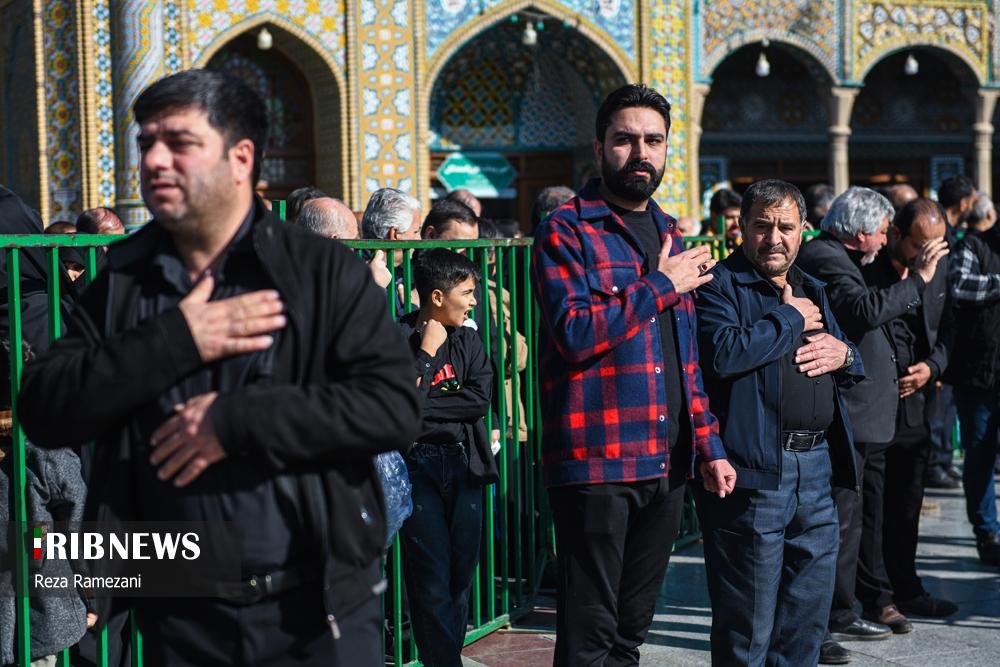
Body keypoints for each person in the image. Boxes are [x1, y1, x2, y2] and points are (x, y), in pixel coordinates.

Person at [16, 69, 421, 666]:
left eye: (179, 143)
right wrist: (177, 338)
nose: (155, 160)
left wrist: (237, 421)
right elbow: (46, 406)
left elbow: (394, 407)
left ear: (240, 157)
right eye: (146, 143)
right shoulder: (128, 280)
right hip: (183, 614)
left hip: (315, 609)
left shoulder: (318, 272)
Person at [532, 83, 735, 666]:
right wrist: (662, 284)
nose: (641, 153)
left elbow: (685, 356)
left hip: (666, 460)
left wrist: (709, 445)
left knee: (632, 630)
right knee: (590, 633)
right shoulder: (568, 229)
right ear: (600, 148)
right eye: (625, 140)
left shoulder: (671, 232)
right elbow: (575, 333)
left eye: (654, 140)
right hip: (598, 459)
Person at [695, 178, 863, 666]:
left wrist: (845, 355)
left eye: (786, 227)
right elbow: (723, 354)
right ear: (741, 228)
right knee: (748, 625)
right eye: (762, 226)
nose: (775, 238)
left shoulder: (810, 286)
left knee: (805, 620)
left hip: (817, 468)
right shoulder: (719, 285)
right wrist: (789, 320)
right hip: (754, 472)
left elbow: (849, 357)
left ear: (803, 229)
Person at [797, 187, 948, 661]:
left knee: (858, 518)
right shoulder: (828, 259)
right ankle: (827, 618)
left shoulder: (848, 259)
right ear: (863, 232)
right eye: (882, 232)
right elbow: (862, 311)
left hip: (881, 415)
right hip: (850, 414)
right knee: (836, 523)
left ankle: (845, 609)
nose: (884, 241)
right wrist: (919, 278)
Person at [858, 198, 957, 618]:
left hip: (917, 403)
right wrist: (917, 278)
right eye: (920, 245)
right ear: (896, 235)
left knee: (907, 503)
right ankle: (878, 597)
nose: (928, 255)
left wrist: (933, 367)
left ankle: (907, 587)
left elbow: (951, 328)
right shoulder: (869, 271)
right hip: (876, 405)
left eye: (936, 246)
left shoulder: (939, 269)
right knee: (874, 507)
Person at [396, 248, 495, 667]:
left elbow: (479, 399)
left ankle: (445, 656)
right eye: (467, 293)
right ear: (437, 297)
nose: (474, 302)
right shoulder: (399, 337)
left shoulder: (468, 339)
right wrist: (427, 353)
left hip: (463, 462)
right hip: (416, 467)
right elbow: (397, 406)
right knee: (429, 574)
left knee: (459, 575)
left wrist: (423, 404)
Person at [945, 192, 1000, 566]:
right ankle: (987, 532)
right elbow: (960, 285)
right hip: (978, 374)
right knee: (979, 455)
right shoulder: (974, 246)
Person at [937, 175, 977, 242]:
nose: (972, 208)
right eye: (973, 203)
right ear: (963, 204)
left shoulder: (938, 227)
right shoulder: (942, 236)